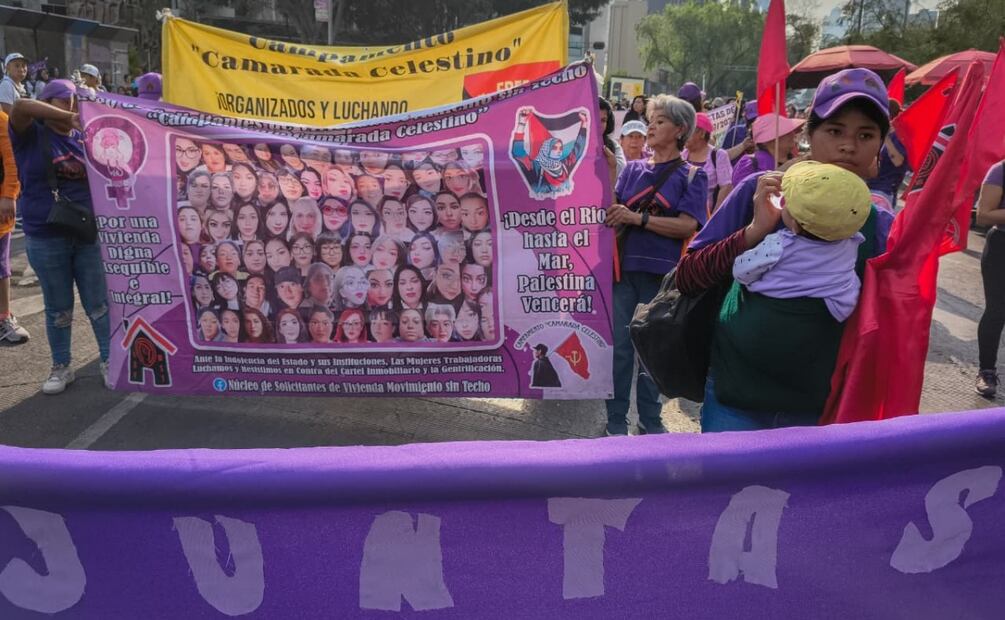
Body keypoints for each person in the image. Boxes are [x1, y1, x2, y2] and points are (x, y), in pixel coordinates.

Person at [676, 67, 895, 432]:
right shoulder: (756, 191)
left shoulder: (878, 224)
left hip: (818, 412)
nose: (848, 146)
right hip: (734, 400)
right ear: (810, 134)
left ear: (880, 145)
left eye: (866, 135)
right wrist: (754, 230)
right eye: (835, 130)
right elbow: (688, 276)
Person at [716, 162, 871, 423]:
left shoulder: (778, 244)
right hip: (833, 311)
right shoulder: (853, 244)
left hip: (755, 356)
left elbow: (741, 271)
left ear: (796, 225)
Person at [604, 94, 708, 436]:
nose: (651, 126)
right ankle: (616, 422)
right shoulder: (632, 169)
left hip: (665, 280)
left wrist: (637, 218)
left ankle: (650, 421)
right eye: (651, 119)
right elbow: (611, 210)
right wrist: (607, 173)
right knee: (619, 352)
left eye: (660, 121)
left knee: (651, 355)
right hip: (624, 273)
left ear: (680, 130)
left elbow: (687, 225)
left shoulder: (693, 175)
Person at [10, 79, 109, 394]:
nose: (73, 106)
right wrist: (70, 116)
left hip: (86, 233)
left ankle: (110, 361)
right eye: (66, 100)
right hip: (46, 234)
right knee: (58, 307)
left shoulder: (86, 136)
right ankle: (61, 367)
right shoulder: (31, 135)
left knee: (99, 304)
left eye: (76, 101)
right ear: (48, 101)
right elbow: (21, 107)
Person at [975, 159, 1005, 397]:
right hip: (1001, 247)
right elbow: (983, 215)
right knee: (997, 311)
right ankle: (987, 372)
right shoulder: (1000, 170)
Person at [0, 107, 28, 343]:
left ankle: (3, 318)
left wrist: (9, 196)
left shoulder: (1, 120)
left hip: (0, 208)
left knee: (1, 267)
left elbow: (12, 162)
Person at [731, 113, 805, 187]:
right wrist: (779, 171)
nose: (792, 134)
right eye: (785, 131)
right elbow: (743, 193)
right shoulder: (749, 163)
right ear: (766, 142)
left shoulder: (799, 161)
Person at [683, 112, 733, 213]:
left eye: (688, 131)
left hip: (706, 216)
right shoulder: (681, 154)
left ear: (702, 133)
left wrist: (714, 216)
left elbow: (726, 187)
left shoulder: (718, 155)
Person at [721, 100, 758, 165]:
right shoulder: (735, 131)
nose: (754, 123)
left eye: (757, 119)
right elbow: (721, 157)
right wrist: (743, 146)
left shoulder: (770, 134)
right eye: (751, 120)